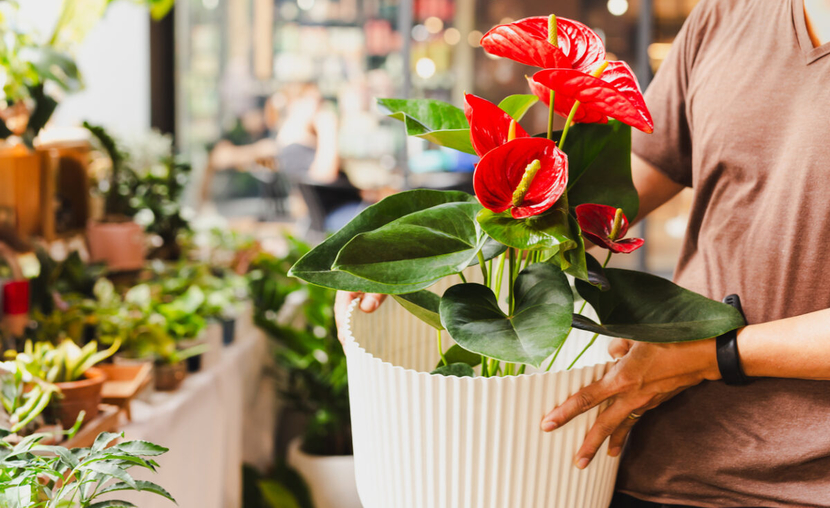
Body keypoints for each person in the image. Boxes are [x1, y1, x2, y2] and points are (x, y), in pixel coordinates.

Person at [336, 0, 830, 505]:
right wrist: (413, 257)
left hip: (799, 486)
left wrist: (712, 356)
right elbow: (624, 179)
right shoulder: (729, 13)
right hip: (647, 458)